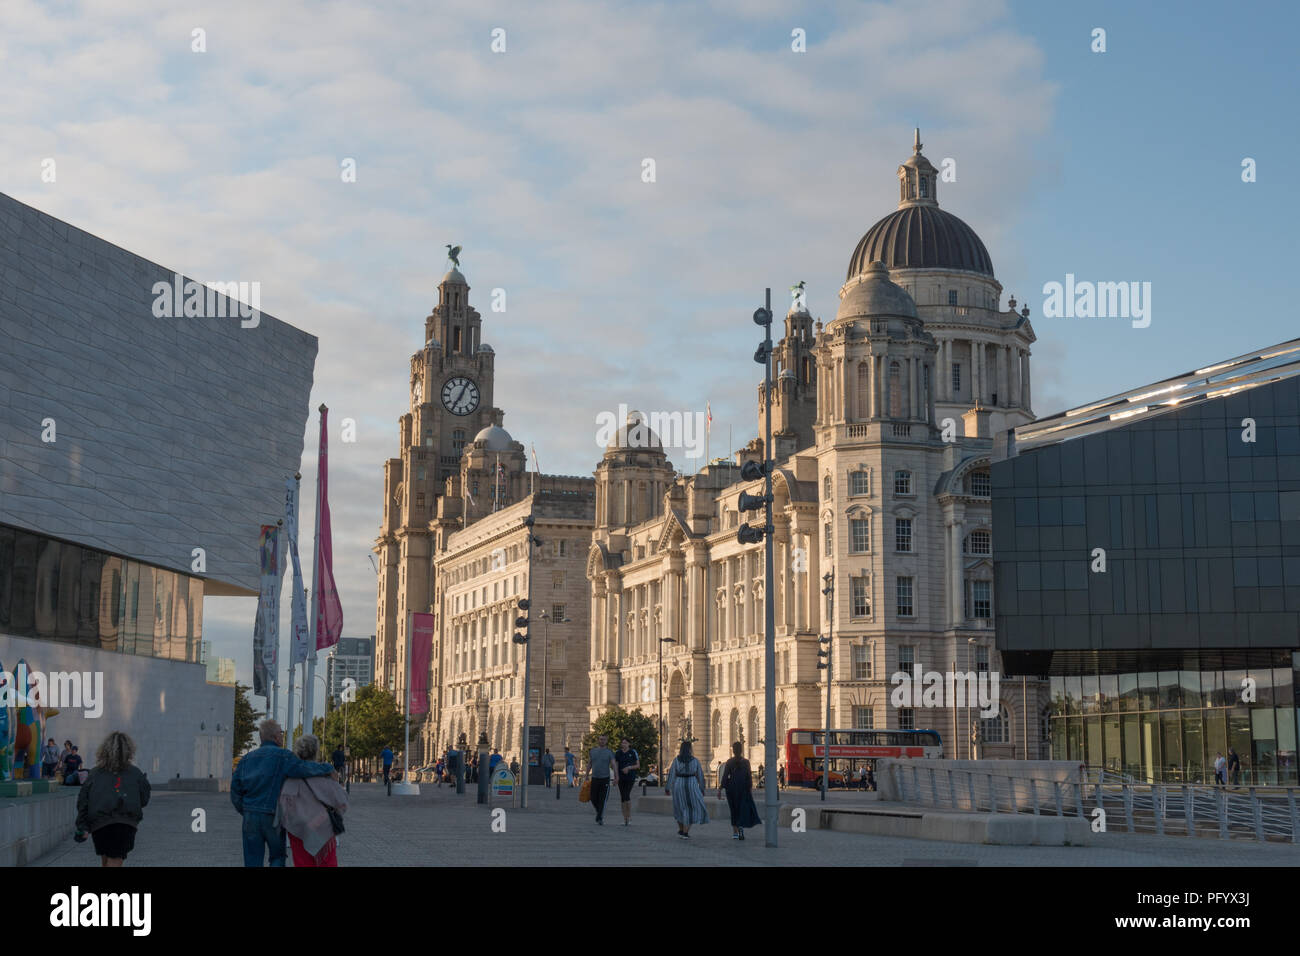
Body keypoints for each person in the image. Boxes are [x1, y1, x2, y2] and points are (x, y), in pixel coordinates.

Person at [231, 719, 335, 867]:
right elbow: (305, 769)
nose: (282, 735)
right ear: (275, 737)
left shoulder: (245, 760)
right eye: (281, 732)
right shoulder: (284, 756)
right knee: (277, 857)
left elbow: (235, 792)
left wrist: (246, 809)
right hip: (274, 817)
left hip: (250, 817)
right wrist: (327, 768)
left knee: (252, 859)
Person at [74, 731, 150, 866]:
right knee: (115, 859)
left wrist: (83, 827)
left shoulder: (95, 773)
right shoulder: (136, 773)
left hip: (100, 825)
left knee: (106, 859)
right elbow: (144, 799)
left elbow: (83, 801)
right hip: (125, 823)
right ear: (129, 751)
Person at [276, 735, 349, 867]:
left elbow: (284, 807)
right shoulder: (326, 776)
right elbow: (342, 802)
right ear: (316, 751)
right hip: (324, 827)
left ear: (297, 752)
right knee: (328, 862)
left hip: (300, 830)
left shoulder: (291, 778)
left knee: (302, 862)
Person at [719, 741, 761, 840]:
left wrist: (720, 788)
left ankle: (735, 833)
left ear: (733, 751)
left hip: (731, 789)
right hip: (743, 788)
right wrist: (749, 789)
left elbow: (725, 777)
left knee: (733, 810)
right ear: (741, 750)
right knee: (742, 809)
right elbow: (749, 777)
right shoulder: (746, 762)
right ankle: (741, 828)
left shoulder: (729, 762)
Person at [667, 741, 709, 839]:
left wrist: (667, 787)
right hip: (692, 783)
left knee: (679, 807)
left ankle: (681, 830)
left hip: (679, 783)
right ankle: (685, 832)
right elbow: (700, 775)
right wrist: (702, 788)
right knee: (692, 808)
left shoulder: (676, 760)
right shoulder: (695, 761)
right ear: (690, 749)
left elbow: (672, 774)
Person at [584, 733, 618, 825]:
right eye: (600, 739)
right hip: (595, 778)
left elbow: (614, 764)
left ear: (606, 741)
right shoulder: (593, 751)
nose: (602, 741)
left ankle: (599, 817)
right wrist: (586, 775)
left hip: (605, 779)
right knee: (593, 798)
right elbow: (590, 764)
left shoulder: (609, 752)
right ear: (598, 740)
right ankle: (599, 812)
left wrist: (616, 777)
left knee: (602, 799)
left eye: (604, 739)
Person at [614, 737, 640, 826]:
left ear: (629, 744)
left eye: (625, 743)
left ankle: (629, 816)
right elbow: (616, 765)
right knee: (622, 797)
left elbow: (638, 765)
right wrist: (616, 776)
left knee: (626, 795)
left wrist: (629, 768)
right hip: (621, 777)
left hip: (630, 777)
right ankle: (624, 817)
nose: (623, 744)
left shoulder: (633, 752)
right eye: (622, 743)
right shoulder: (618, 753)